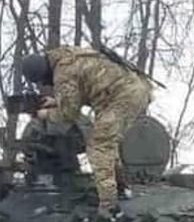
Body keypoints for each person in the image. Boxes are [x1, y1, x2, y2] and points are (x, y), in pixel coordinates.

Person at [19, 46, 155, 212]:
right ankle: (121, 187)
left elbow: (69, 114)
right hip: (131, 89)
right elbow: (82, 92)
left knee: (99, 144)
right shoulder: (67, 56)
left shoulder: (62, 72)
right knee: (107, 142)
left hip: (122, 96)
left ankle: (109, 207)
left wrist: (44, 114)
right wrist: (55, 102)